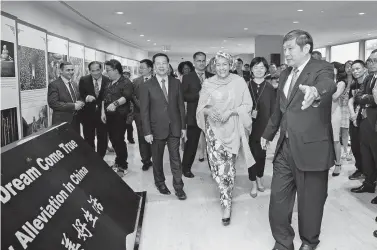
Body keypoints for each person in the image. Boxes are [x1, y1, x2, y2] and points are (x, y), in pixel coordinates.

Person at [261, 30, 336, 250]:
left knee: (310, 202)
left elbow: (327, 85)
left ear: (306, 49)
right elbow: (279, 110)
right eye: (284, 49)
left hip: (312, 149)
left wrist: (315, 91)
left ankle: (309, 242)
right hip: (285, 147)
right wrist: (267, 134)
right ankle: (283, 242)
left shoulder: (322, 68)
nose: (286, 53)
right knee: (278, 200)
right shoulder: (285, 74)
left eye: (290, 48)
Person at [196, 51, 254, 226]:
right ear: (214, 66)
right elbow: (201, 108)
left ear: (230, 65)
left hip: (233, 129)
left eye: (225, 64)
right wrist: (209, 111)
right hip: (214, 131)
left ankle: (226, 203)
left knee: (228, 169)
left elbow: (247, 105)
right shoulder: (208, 83)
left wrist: (230, 111)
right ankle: (225, 197)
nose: (221, 68)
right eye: (218, 64)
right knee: (218, 169)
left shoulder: (239, 82)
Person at [140, 53, 187, 200]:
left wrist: (183, 127)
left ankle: (179, 187)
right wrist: (147, 131)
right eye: (158, 63)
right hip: (155, 129)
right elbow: (144, 111)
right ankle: (160, 183)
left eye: (164, 63)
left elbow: (180, 106)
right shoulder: (146, 85)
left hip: (174, 127)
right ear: (154, 66)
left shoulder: (176, 83)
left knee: (176, 158)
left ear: (168, 65)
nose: (161, 66)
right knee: (157, 159)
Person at [181, 52, 214, 178]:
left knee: (211, 145)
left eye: (203, 60)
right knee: (191, 144)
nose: (201, 63)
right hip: (193, 116)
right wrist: (198, 95)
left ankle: (214, 169)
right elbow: (183, 96)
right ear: (194, 62)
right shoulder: (187, 77)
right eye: (199, 61)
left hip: (210, 116)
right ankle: (186, 168)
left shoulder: (212, 77)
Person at [247, 57, 276, 198]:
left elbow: (274, 112)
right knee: (251, 155)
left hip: (264, 128)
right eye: (256, 67)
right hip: (248, 128)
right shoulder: (245, 87)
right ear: (251, 69)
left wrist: (270, 132)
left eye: (262, 67)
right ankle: (252, 182)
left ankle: (259, 178)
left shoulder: (270, 88)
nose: (259, 70)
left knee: (262, 155)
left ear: (266, 70)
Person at [352, 49, 377, 204]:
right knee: (366, 154)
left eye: (376, 60)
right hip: (365, 122)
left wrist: (367, 100)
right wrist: (369, 99)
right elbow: (358, 97)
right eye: (371, 60)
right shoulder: (369, 78)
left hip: (375, 122)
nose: (373, 63)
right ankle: (369, 183)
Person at [101, 59, 133, 176]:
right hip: (109, 116)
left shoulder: (126, 82)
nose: (106, 72)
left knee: (119, 139)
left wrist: (115, 104)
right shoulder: (109, 82)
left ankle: (123, 165)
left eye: (108, 70)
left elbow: (126, 96)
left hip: (120, 115)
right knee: (113, 140)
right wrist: (103, 113)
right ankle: (117, 161)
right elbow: (104, 100)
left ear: (116, 70)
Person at [79, 61, 110, 158]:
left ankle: (100, 158)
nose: (96, 73)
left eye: (98, 70)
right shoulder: (83, 80)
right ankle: (91, 159)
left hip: (103, 115)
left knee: (103, 138)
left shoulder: (108, 80)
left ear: (101, 69)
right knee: (88, 138)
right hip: (87, 115)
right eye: (93, 71)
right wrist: (86, 98)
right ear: (89, 71)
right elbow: (80, 95)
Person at [48, 61, 84, 133]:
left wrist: (81, 102)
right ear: (60, 71)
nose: (71, 72)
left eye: (72, 70)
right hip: (62, 122)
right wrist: (73, 106)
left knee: (75, 142)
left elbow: (79, 97)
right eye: (68, 70)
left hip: (76, 121)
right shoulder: (54, 85)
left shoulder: (74, 83)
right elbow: (53, 103)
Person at [132, 59, 154, 171]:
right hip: (139, 114)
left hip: (155, 115)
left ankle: (155, 159)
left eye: (143, 67)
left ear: (150, 69)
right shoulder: (135, 81)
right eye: (139, 67)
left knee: (155, 137)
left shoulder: (157, 81)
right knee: (142, 137)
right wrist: (141, 106)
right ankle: (145, 160)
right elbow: (133, 96)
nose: (140, 70)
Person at [348, 60, 368, 180]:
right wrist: (353, 115)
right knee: (355, 145)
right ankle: (360, 169)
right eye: (353, 69)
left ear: (364, 69)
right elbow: (351, 100)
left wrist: (356, 115)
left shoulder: (368, 82)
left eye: (358, 69)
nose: (355, 71)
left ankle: (369, 171)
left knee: (366, 147)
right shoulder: (353, 84)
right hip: (354, 118)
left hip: (365, 117)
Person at [331, 62, 346, 177]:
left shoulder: (340, 83)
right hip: (324, 112)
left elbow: (335, 96)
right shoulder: (325, 81)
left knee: (336, 139)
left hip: (335, 113)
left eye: (332, 68)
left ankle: (338, 164)